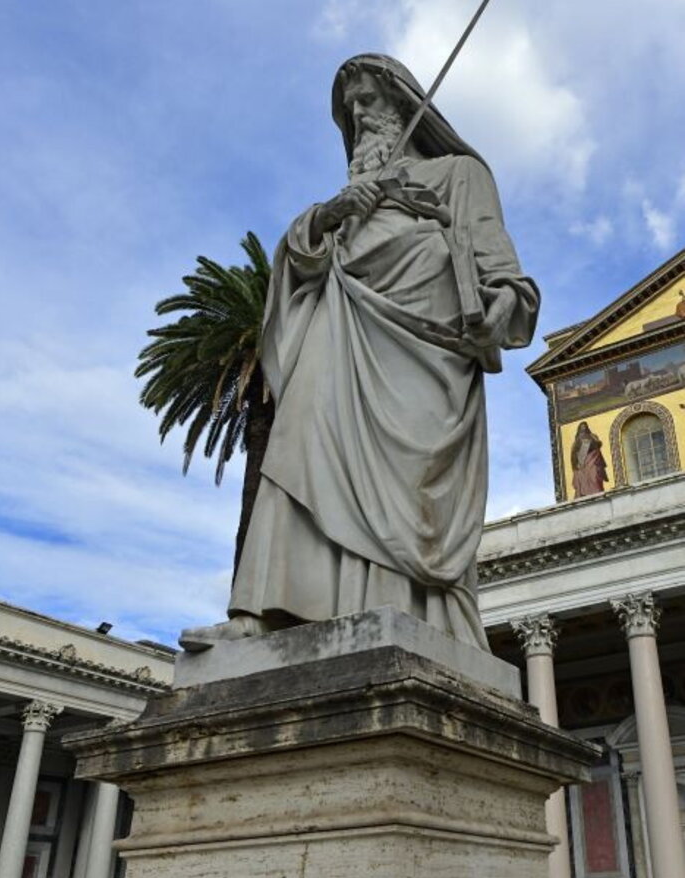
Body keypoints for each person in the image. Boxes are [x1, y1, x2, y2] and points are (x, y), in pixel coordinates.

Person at [182, 54, 539, 653]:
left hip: (423, 350)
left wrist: (502, 303)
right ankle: (266, 609)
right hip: (343, 328)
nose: (357, 116)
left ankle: (393, 604)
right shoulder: (351, 198)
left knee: (410, 488)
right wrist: (330, 215)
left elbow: (505, 274)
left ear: (403, 103)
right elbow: (297, 258)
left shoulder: (459, 174)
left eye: (368, 100)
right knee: (297, 438)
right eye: (349, 109)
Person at [571, 420, 608, 498]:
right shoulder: (577, 440)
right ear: (579, 428)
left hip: (593, 457)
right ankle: (584, 493)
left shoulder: (592, 436)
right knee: (582, 477)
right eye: (582, 427)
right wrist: (577, 462)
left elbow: (598, 443)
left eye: (585, 426)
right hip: (582, 461)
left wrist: (594, 443)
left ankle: (597, 491)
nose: (583, 428)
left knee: (594, 474)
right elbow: (574, 452)